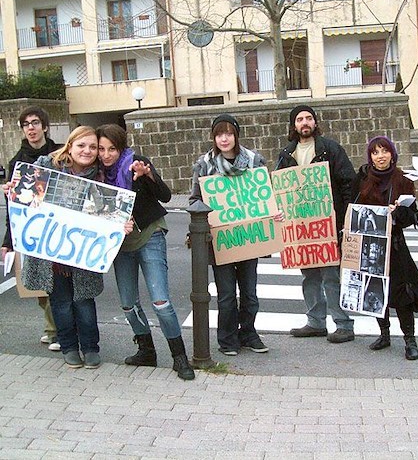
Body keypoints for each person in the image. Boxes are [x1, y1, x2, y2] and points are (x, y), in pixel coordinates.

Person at [96, 124, 195, 381]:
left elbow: (165, 195)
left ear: (121, 147)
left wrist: (148, 176)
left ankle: (179, 356)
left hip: (149, 234)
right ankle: (146, 350)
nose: (106, 155)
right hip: (120, 243)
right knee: (128, 303)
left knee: (160, 301)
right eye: (102, 149)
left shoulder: (136, 163)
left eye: (112, 149)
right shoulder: (96, 174)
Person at [190, 114, 280, 356]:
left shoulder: (254, 162)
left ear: (236, 135)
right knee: (227, 295)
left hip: (249, 237)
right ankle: (228, 339)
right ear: (214, 137)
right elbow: (195, 200)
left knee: (250, 293)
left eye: (229, 133)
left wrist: (273, 213)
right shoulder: (205, 165)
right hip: (222, 240)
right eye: (219, 134)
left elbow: (266, 195)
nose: (224, 138)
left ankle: (249, 334)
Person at [16, 126, 104, 369]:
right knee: (62, 303)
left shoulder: (100, 176)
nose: (87, 151)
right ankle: (69, 347)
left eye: (93, 147)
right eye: (81, 145)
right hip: (52, 254)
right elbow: (24, 201)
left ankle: (90, 347)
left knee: (85, 301)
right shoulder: (46, 166)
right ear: (70, 145)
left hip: (83, 253)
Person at [275, 105, 356, 343]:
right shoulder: (286, 154)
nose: (305, 122)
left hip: (328, 224)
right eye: (300, 119)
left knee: (331, 276)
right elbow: (279, 189)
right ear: (294, 126)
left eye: (309, 118)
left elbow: (348, 183)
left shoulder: (331, 149)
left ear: (315, 122)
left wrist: (344, 218)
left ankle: (343, 324)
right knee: (309, 277)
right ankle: (315, 322)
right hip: (301, 227)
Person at [351, 136, 418, 360]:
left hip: (395, 245)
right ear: (370, 157)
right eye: (375, 152)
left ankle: (409, 340)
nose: (380, 156)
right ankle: (384, 334)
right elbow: (353, 206)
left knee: (402, 293)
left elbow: (412, 215)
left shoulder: (402, 179)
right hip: (371, 244)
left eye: (384, 151)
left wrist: (398, 212)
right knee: (375, 290)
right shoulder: (363, 178)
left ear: (392, 154)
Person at [1, 106, 61, 352]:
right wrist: (8, 242)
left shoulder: (60, 155)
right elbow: (12, 208)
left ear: (44, 126)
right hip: (32, 230)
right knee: (38, 284)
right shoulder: (17, 161)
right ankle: (52, 327)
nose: (31, 128)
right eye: (26, 125)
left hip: (58, 227)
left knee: (57, 282)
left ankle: (58, 330)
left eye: (35, 123)